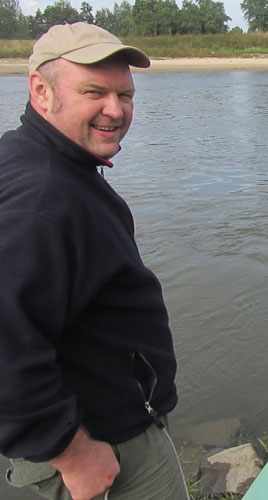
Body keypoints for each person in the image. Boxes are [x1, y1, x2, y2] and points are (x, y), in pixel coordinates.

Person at [0, 22, 188, 500]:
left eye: (125, 95)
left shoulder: (42, 159)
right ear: (41, 91)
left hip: (104, 423)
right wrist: (72, 453)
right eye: (93, 92)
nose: (115, 110)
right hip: (102, 446)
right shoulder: (40, 200)